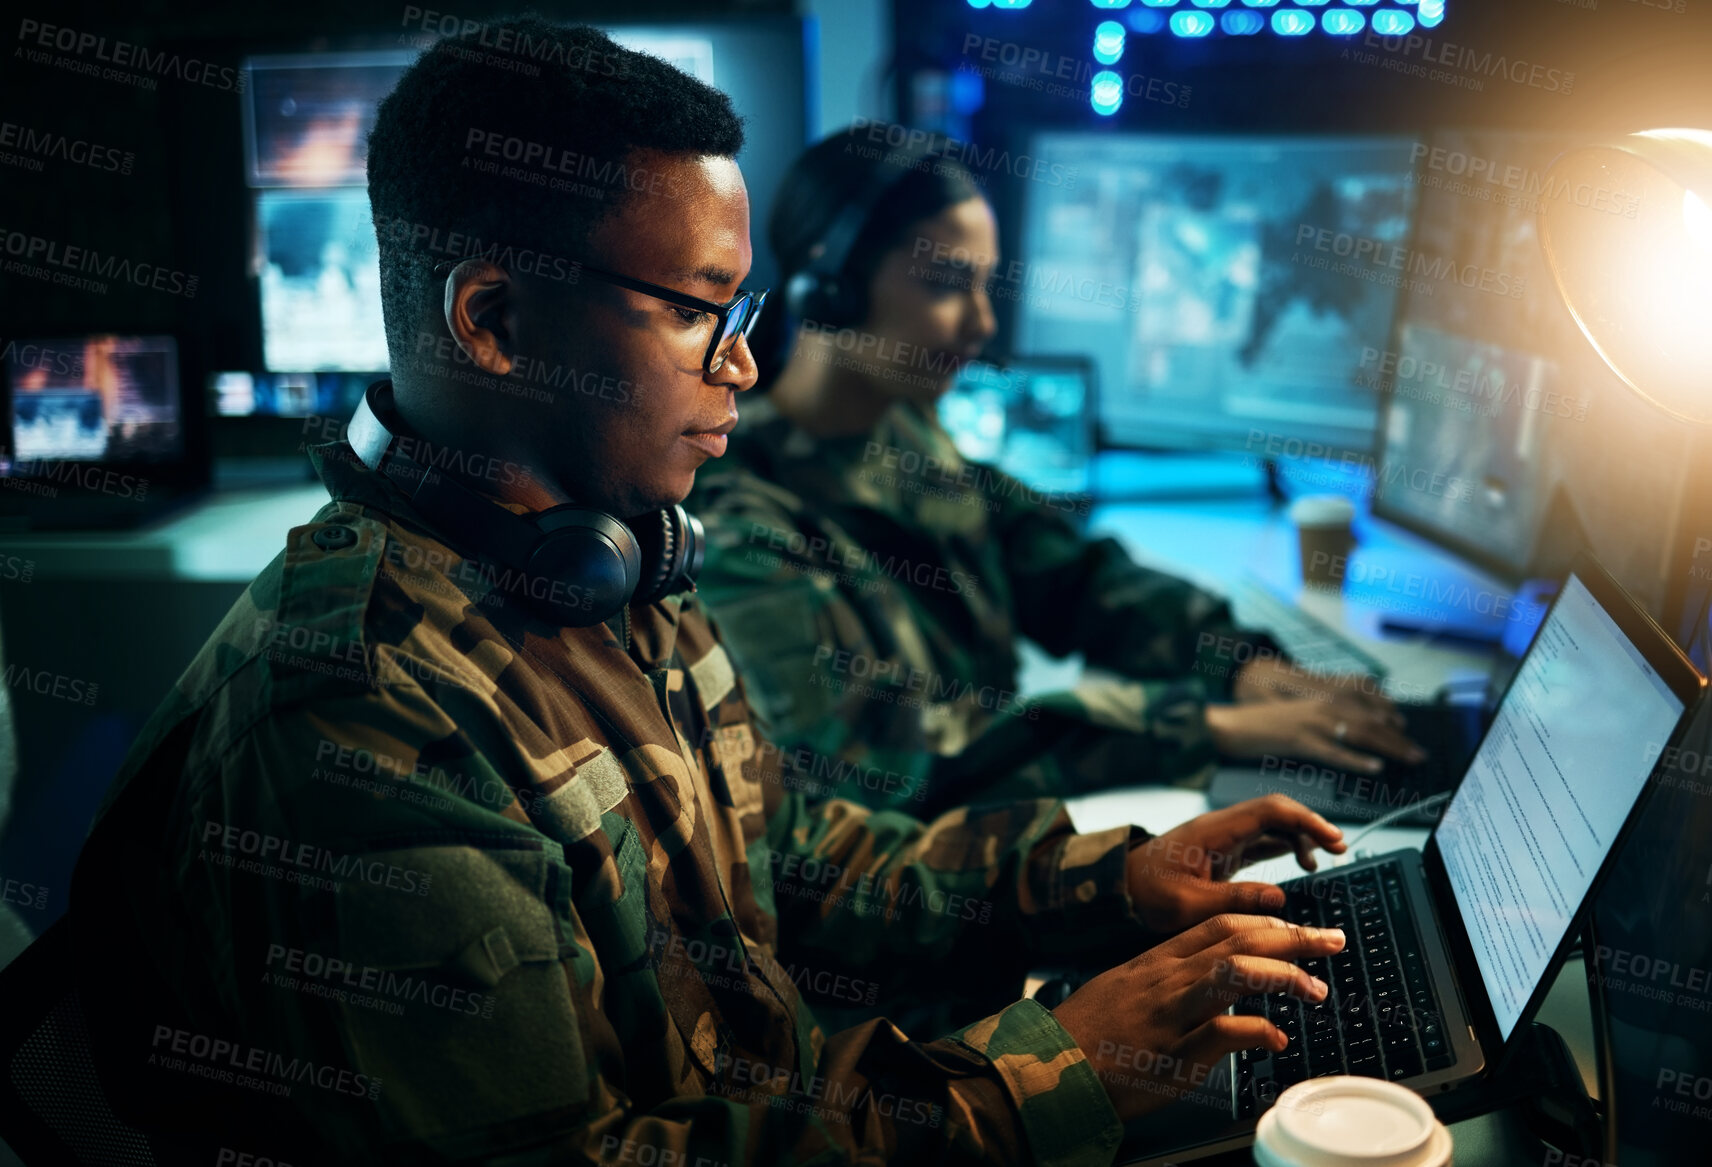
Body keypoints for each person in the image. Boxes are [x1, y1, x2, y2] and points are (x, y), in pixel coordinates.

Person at [67, 23, 1351, 1166]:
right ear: (498, 322)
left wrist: (1103, 885)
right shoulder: (357, 727)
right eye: (696, 311)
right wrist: (1044, 1076)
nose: (743, 360)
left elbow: (788, 854)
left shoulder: (609, 552)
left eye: (740, 307)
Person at [688, 126, 1425, 821]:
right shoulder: (736, 519)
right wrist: (1208, 728)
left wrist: (1240, 664)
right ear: (832, 284)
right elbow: (906, 767)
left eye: (984, 285)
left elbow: (1073, 577)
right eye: (947, 284)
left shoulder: (903, 427)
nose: (982, 325)